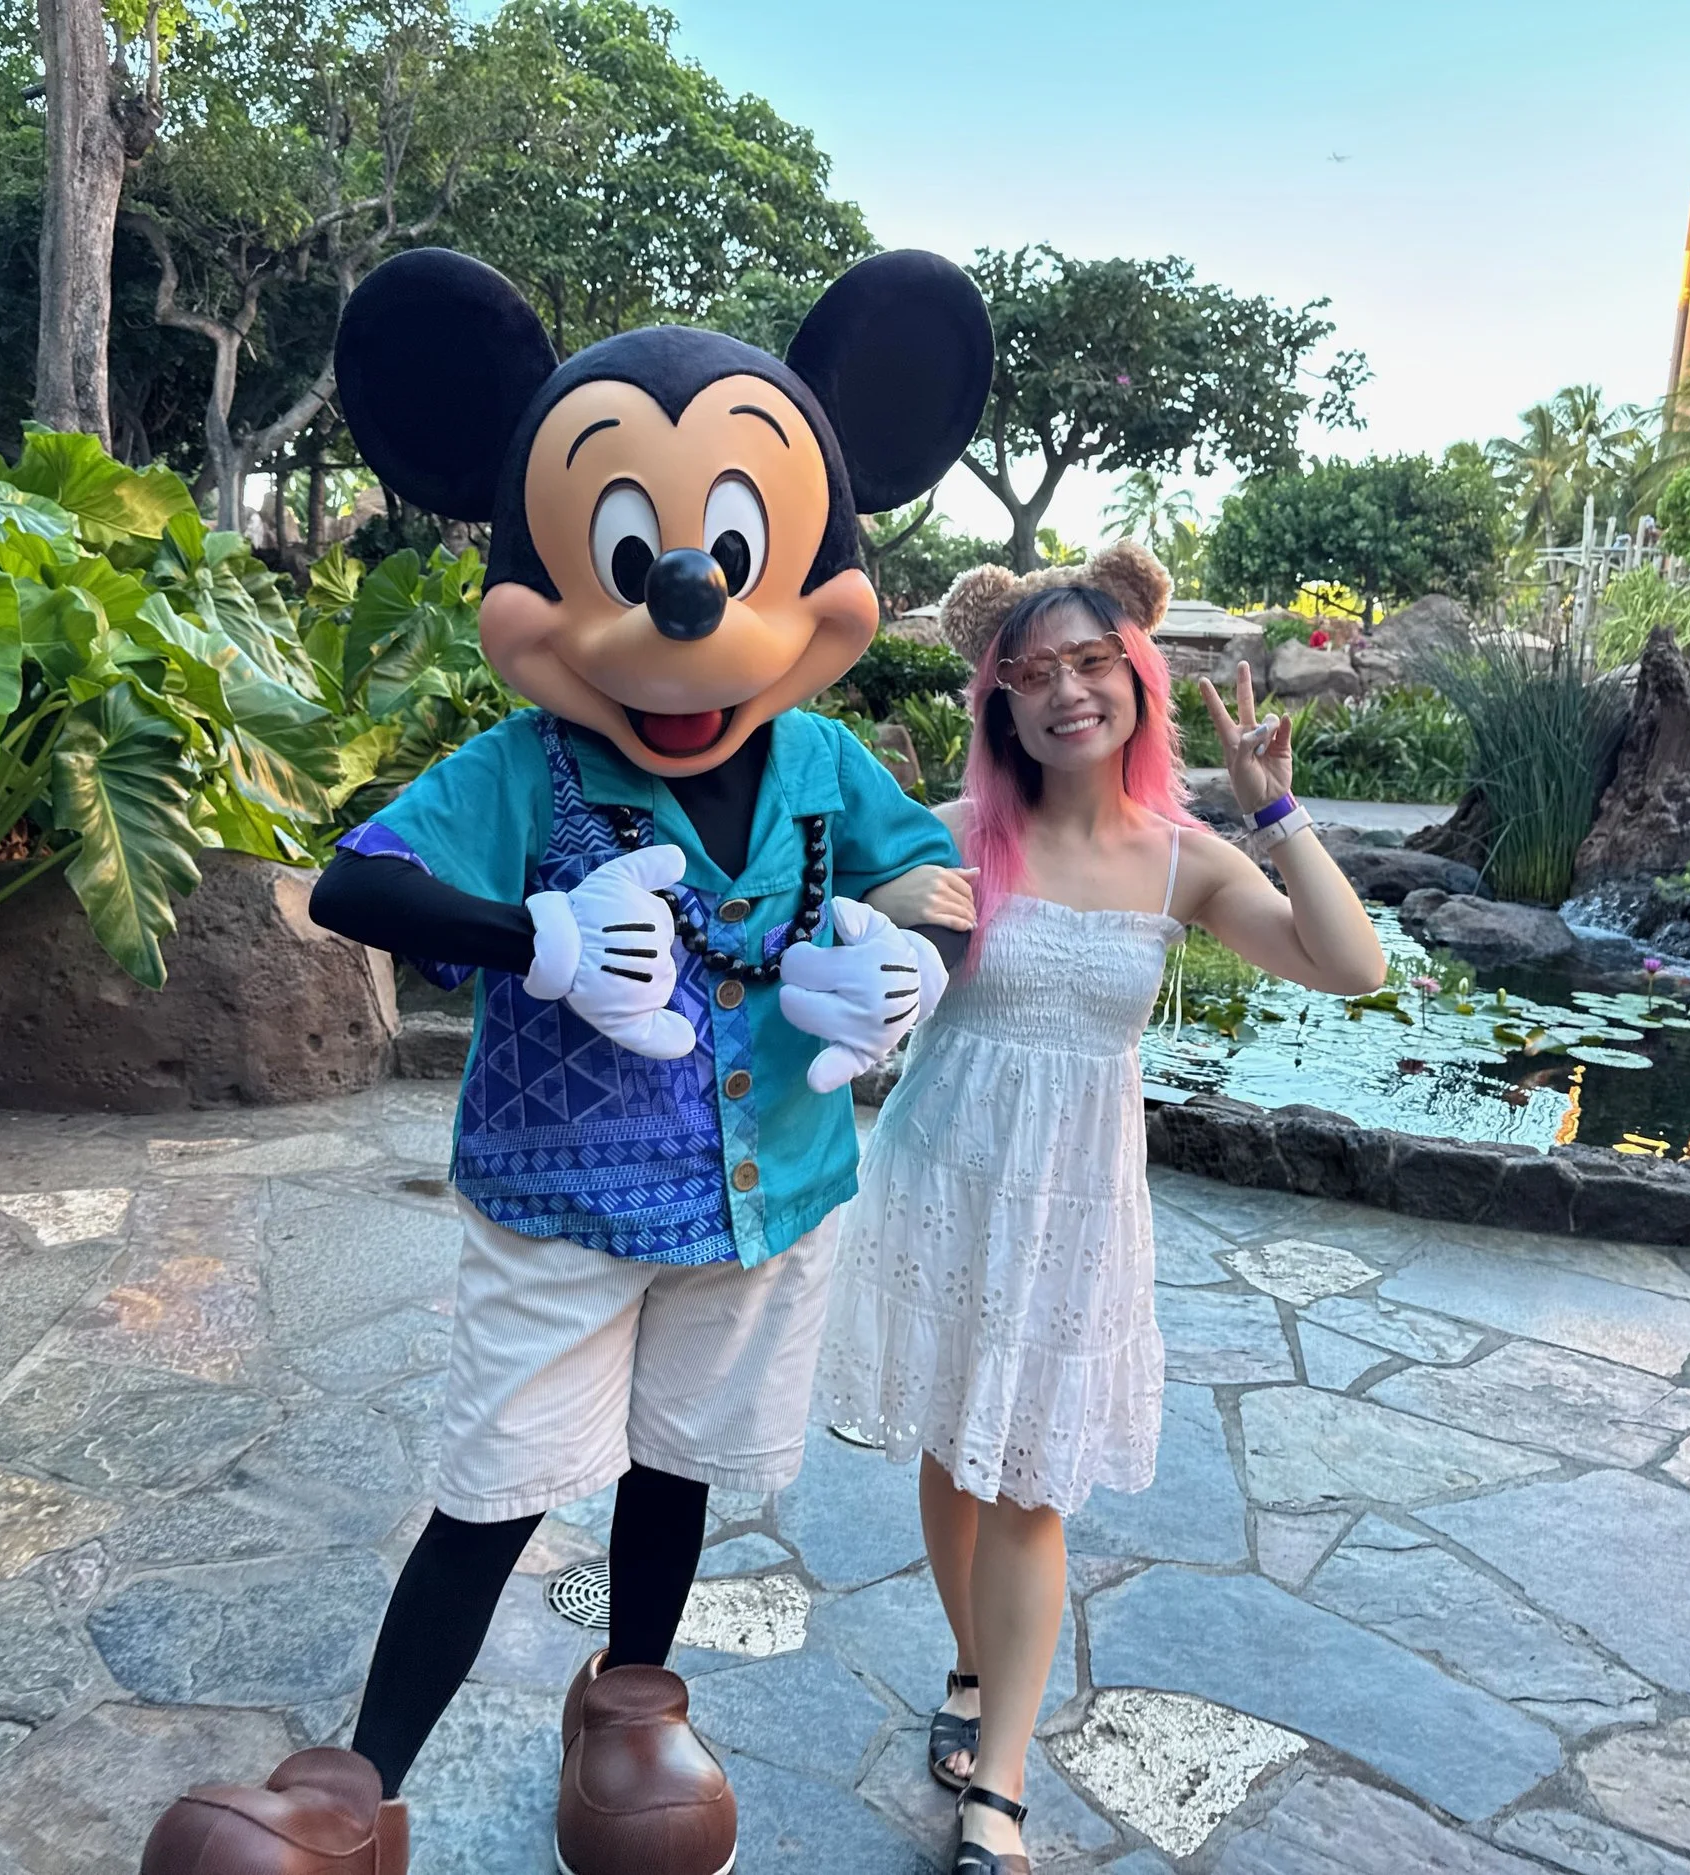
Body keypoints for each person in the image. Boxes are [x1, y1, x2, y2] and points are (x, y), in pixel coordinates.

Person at [140, 245, 994, 1875]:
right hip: (562, 1197)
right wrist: (533, 936)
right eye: (629, 549)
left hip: (767, 1204)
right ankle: (353, 1782)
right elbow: (355, 881)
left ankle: (630, 1708)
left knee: (677, 1460)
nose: (685, 598)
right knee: (503, 1478)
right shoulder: (527, 764)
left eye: (734, 551)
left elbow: (928, 881)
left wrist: (909, 967)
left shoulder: (820, 753)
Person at [819, 543, 1386, 1874]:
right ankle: (973, 1667)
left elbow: (1349, 964)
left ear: (1137, 677)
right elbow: (847, 936)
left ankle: (996, 1791)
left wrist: (1277, 812)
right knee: (958, 1451)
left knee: (1032, 1476)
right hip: (944, 1178)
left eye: (1092, 663)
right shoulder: (955, 837)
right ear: (1000, 705)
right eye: (1033, 673)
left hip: (1075, 1203)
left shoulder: (1181, 859)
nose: (1068, 691)